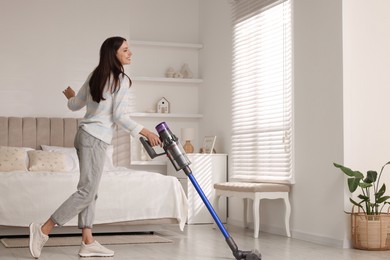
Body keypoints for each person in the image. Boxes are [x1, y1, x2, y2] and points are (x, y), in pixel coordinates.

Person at [29, 36, 161, 258]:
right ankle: (43, 229)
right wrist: (145, 131)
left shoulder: (95, 75)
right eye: (126, 50)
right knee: (87, 191)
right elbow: (119, 116)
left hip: (83, 136)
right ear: (114, 53)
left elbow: (75, 105)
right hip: (95, 139)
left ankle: (87, 241)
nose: (131, 53)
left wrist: (70, 95)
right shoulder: (121, 79)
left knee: (91, 191)